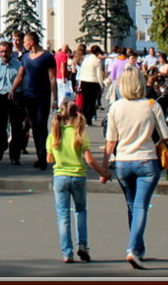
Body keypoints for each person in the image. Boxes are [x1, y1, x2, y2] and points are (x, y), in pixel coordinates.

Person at [103, 64, 168, 269]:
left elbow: (110, 142)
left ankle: (138, 248)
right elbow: (166, 135)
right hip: (147, 160)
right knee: (141, 206)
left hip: (123, 161)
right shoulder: (151, 105)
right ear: (141, 84)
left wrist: (104, 167)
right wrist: (156, 143)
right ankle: (133, 249)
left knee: (132, 206)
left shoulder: (115, 107)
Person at [46, 100, 110, 263]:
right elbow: (89, 159)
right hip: (78, 177)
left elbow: (49, 159)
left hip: (60, 177)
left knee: (63, 214)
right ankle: (82, 245)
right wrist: (103, 172)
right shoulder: (79, 133)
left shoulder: (53, 135)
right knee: (80, 211)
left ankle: (67, 252)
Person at [10, 31, 57, 170]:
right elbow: (20, 75)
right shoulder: (25, 57)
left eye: (25, 41)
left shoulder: (47, 56)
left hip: (42, 96)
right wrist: (13, 89)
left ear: (31, 42)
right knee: (34, 125)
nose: (24, 44)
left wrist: (55, 98)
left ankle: (43, 156)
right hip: (28, 95)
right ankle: (39, 155)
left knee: (42, 125)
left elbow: (52, 78)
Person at [77, 45, 106, 127]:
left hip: (84, 81)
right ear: (98, 52)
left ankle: (83, 119)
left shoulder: (86, 59)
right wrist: (101, 85)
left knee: (85, 101)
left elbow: (81, 71)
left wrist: (79, 83)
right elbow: (99, 74)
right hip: (93, 82)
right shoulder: (97, 61)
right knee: (91, 102)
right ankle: (88, 119)